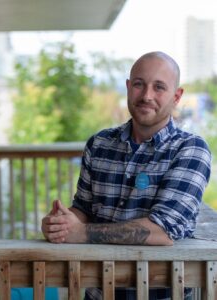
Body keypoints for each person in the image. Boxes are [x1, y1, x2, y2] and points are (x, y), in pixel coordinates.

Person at [41, 51, 211, 300]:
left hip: (162, 295)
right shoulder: (99, 144)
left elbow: (161, 231)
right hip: (98, 293)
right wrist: (61, 225)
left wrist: (82, 233)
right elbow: (84, 208)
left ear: (176, 96)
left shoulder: (190, 150)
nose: (147, 96)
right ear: (128, 87)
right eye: (139, 84)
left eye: (159, 87)